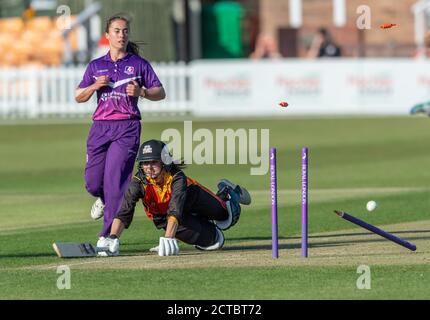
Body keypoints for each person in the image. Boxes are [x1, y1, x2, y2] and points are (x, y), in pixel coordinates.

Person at [75, 15, 166, 250]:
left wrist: (142, 93)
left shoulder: (138, 64)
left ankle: (107, 236)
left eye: (125, 31)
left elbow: (160, 92)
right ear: (108, 35)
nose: (121, 35)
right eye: (116, 31)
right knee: (93, 183)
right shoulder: (96, 66)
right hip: (100, 128)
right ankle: (103, 199)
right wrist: (95, 86)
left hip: (127, 128)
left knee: (115, 181)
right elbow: (78, 96)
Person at [96, 139, 252, 256]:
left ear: (164, 162)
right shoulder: (137, 183)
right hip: (165, 217)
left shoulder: (177, 177)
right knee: (214, 241)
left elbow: (175, 207)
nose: (149, 168)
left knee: (227, 216)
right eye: (145, 163)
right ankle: (204, 226)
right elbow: (125, 210)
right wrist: (113, 237)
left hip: (192, 198)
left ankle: (228, 193)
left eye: (154, 162)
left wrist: (169, 237)